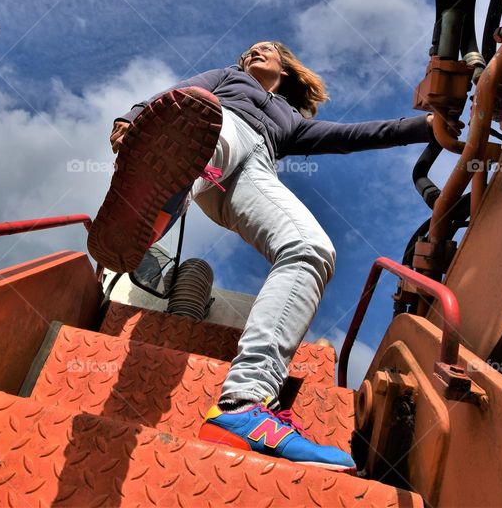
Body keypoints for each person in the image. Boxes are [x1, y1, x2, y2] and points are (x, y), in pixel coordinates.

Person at [88, 41, 448, 472]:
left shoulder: (292, 122)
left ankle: (243, 406)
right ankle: (161, 198)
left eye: (264, 50)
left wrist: (427, 126)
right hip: (216, 134)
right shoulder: (229, 77)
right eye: (249, 50)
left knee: (311, 249)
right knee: (206, 124)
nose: (251, 53)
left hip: (254, 173)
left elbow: (353, 136)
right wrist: (130, 118)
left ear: (286, 67)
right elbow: (182, 95)